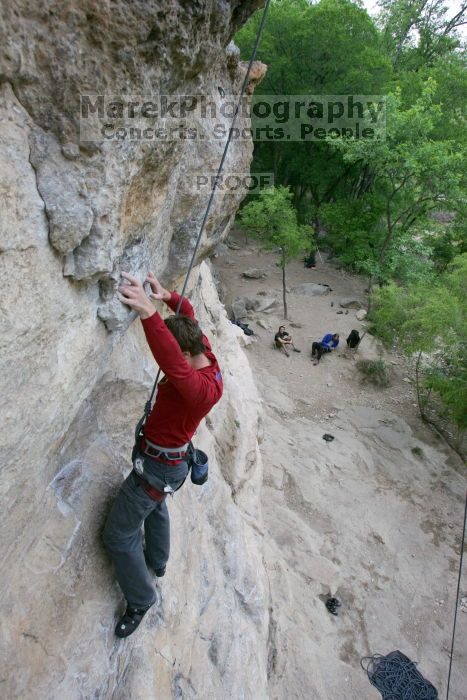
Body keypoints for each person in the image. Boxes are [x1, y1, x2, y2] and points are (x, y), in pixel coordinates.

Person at [103, 271, 223, 638]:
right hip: (169, 465)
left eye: (178, 358)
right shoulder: (206, 354)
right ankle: (158, 561)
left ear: (186, 355)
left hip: (158, 466)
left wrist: (147, 312)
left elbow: (170, 359)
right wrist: (166, 295)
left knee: (119, 535)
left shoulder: (199, 389)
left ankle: (141, 598)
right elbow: (189, 315)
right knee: (156, 506)